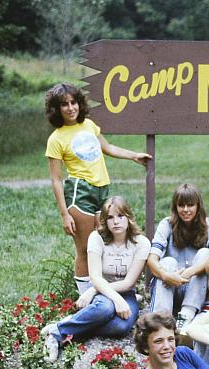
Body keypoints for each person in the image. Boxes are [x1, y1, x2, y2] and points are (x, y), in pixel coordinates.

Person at [45, 83, 151, 294]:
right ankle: (86, 296)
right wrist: (64, 214)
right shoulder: (56, 138)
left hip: (102, 191)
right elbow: (56, 180)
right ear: (57, 109)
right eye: (64, 104)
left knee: (101, 245)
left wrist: (133, 156)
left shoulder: (89, 125)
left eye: (73, 102)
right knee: (86, 248)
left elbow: (108, 147)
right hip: (80, 193)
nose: (71, 108)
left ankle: (103, 291)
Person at [42, 196, 150, 361]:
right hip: (102, 292)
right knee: (105, 308)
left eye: (120, 216)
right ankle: (56, 334)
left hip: (125, 293)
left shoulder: (141, 243)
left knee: (121, 326)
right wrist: (112, 297)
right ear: (105, 221)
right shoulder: (97, 238)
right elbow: (95, 277)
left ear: (129, 217)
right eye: (110, 218)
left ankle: (73, 322)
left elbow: (129, 282)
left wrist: (93, 291)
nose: (116, 222)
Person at [148, 184, 209, 333]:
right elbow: (151, 259)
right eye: (181, 205)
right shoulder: (167, 224)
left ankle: (185, 317)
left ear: (198, 206)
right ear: (175, 207)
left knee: (206, 254)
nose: (186, 210)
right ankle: (161, 320)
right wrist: (165, 275)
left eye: (190, 205)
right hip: (170, 285)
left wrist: (190, 272)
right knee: (168, 262)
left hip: (196, 289)